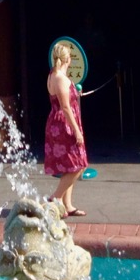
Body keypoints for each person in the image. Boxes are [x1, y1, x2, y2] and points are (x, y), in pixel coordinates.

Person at [44, 42, 88, 217]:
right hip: (64, 125)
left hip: (59, 123)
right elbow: (65, 107)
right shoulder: (60, 78)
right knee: (78, 164)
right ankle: (55, 198)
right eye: (70, 56)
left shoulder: (53, 75)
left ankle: (67, 205)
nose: (71, 59)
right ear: (65, 59)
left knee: (71, 166)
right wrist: (76, 131)